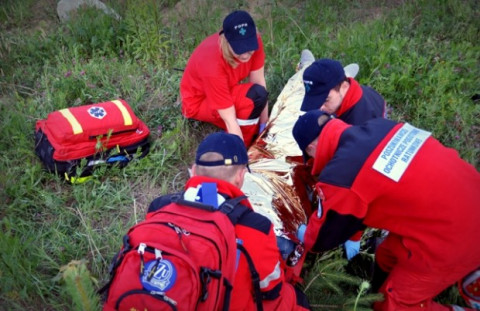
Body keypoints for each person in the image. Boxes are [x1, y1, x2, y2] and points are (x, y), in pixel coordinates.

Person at [291, 110, 480, 311]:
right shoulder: (380, 126)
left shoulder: (340, 176)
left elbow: (322, 238)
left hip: (453, 236)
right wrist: (354, 234)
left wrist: (302, 232)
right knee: (386, 256)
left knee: (393, 305)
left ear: (311, 148)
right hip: (466, 197)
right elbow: (372, 189)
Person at [148, 132, 310, 311]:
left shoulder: (158, 207)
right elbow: (271, 289)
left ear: (193, 171)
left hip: (159, 298)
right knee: (293, 298)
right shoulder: (256, 227)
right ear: (240, 177)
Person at [180, 10, 269, 147]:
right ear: (226, 41)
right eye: (239, 49)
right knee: (254, 97)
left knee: (258, 95)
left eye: (249, 47)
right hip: (199, 101)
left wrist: (265, 126)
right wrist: (240, 154)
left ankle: (255, 131)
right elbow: (229, 119)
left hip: (226, 87)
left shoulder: (255, 42)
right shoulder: (212, 63)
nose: (246, 55)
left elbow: (258, 81)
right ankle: (244, 144)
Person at [301, 58, 386, 125]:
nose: (320, 108)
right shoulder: (359, 91)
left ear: (344, 86)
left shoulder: (357, 127)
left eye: (326, 100)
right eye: (315, 100)